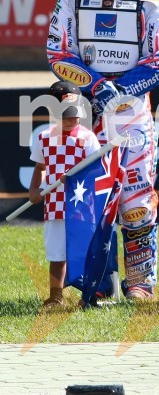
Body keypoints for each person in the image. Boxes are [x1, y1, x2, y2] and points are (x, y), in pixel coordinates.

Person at [46, 0, 159, 300]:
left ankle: (140, 283)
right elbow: (57, 53)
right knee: (93, 200)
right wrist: (97, 85)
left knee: (136, 199)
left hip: (133, 114)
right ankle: (99, 284)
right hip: (86, 111)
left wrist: (119, 92)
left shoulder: (153, 2)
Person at [28, 82, 101, 308]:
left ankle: (86, 296)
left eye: (75, 116)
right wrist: (34, 189)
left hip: (80, 204)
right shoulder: (45, 137)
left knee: (82, 250)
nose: (72, 120)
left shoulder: (87, 138)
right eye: (67, 116)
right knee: (57, 253)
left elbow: (97, 169)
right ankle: (56, 296)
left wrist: (76, 178)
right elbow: (40, 167)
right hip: (54, 203)